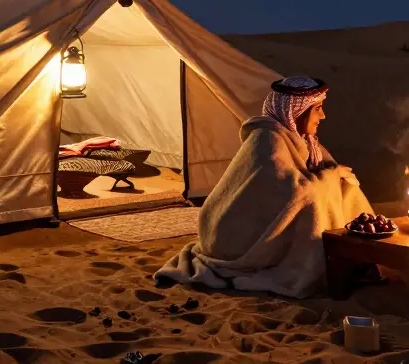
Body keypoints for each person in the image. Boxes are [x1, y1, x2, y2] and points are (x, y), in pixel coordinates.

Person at [154, 76, 373, 298]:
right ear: (297, 112)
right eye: (317, 109)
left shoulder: (306, 141)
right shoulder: (267, 138)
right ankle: (310, 268)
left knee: (345, 185)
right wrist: (331, 175)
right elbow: (295, 191)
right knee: (313, 199)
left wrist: (336, 176)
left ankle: (358, 255)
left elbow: (326, 172)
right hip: (236, 236)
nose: (322, 116)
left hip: (264, 225)